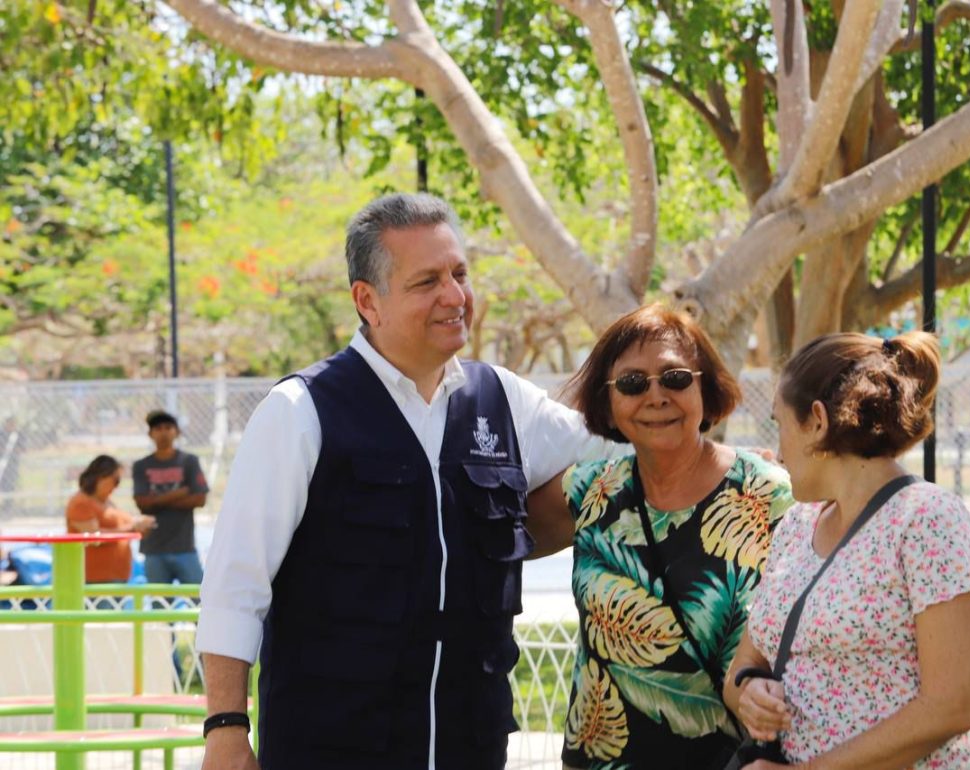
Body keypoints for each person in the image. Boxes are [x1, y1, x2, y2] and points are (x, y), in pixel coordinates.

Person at [195, 193, 613, 770]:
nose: (454, 296)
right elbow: (235, 585)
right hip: (331, 750)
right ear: (367, 301)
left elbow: (621, 459)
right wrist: (225, 728)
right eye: (426, 282)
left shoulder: (504, 401)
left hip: (471, 748)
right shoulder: (300, 411)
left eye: (459, 274)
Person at [528, 304, 792, 770]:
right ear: (607, 402)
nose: (656, 396)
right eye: (632, 383)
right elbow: (486, 539)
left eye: (675, 378)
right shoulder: (591, 491)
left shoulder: (769, 493)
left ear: (705, 388)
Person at [724, 332, 970, 769]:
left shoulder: (927, 520)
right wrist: (751, 692)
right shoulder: (797, 525)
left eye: (779, 424)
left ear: (817, 421)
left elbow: (953, 705)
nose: (777, 451)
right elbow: (743, 667)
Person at [132, 410, 208, 591]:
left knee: (198, 601)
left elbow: (200, 499)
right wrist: (179, 493)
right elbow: (142, 504)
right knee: (160, 604)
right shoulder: (141, 465)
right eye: (158, 428)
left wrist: (157, 501)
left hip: (185, 547)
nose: (163, 433)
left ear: (177, 432)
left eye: (168, 427)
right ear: (151, 434)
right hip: (154, 549)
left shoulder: (189, 461)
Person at [66, 455, 155, 584]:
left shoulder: (106, 502)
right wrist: (132, 528)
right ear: (100, 477)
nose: (116, 486)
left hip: (115, 577)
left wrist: (140, 526)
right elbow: (93, 536)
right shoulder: (81, 503)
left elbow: (122, 526)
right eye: (116, 480)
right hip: (95, 579)